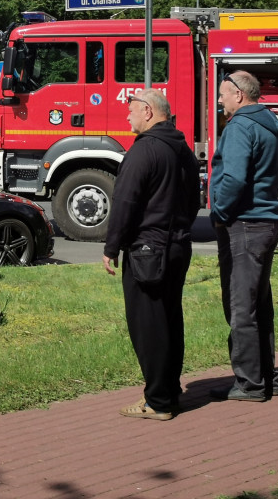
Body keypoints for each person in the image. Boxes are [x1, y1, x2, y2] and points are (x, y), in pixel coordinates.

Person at [103, 89, 200, 421]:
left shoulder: (144, 150)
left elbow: (125, 202)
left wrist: (111, 247)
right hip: (177, 246)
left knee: (149, 325)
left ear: (147, 111)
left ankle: (158, 400)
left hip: (147, 249)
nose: (126, 116)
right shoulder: (181, 148)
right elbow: (194, 198)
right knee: (170, 320)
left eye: (131, 110)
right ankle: (169, 392)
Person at [210, 70, 278, 402]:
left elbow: (235, 177)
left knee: (241, 306)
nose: (219, 99)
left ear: (240, 95)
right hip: (267, 220)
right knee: (259, 304)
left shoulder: (241, 125)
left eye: (224, 93)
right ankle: (265, 377)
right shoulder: (271, 124)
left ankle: (249, 384)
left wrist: (220, 214)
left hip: (245, 224)